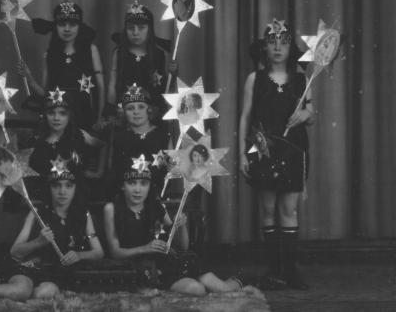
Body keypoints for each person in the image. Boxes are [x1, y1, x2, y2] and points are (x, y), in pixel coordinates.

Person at [239, 18, 314, 290]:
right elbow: (245, 117)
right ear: (265, 48)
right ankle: (274, 268)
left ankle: (290, 270)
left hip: (294, 150)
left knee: (288, 209)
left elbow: (312, 113)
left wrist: (305, 113)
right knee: (268, 208)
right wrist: (241, 154)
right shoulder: (254, 79)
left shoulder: (302, 79)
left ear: (290, 47)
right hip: (263, 150)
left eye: (283, 43)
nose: (278, 48)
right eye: (272, 43)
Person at [0, 156, 104, 300]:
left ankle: (21, 294)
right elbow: (15, 252)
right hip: (29, 267)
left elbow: (98, 252)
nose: (62, 191)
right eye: (56, 185)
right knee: (20, 291)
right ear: (49, 187)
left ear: (75, 188)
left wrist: (79, 255)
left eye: (68, 185)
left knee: (45, 293)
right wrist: (38, 242)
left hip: (53, 274)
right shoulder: (36, 213)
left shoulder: (83, 215)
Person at [103, 157, 250, 295]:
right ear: (122, 186)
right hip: (140, 269)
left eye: (143, 184)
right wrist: (145, 248)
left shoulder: (155, 206)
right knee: (197, 289)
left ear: (149, 186)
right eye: (132, 183)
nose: (137, 190)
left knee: (222, 289)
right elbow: (115, 252)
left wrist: (181, 226)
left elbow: (183, 247)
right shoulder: (112, 209)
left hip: (165, 263)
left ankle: (239, 282)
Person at [18, 0, 105, 130]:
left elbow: (101, 87)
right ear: (56, 26)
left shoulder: (91, 50)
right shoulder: (49, 55)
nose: (67, 29)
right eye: (62, 24)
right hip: (58, 121)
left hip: (84, 119)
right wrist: (29, 77)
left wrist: (100, 118)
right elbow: (45, 93)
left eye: (72, 24)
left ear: (79, 26)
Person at [23, 87, 106, 204]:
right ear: (45, 115)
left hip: (76, 198)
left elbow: (103, 145)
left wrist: (98, 172)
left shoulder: (79, 135)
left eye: (62, 113)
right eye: (52, 113)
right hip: (47, 200)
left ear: (69, 116)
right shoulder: (36, 143)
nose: (56, 118)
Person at [105, 1, 175, 123]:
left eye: (141, 28)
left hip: (151, 113)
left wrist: (172, 73)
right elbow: (112, 84)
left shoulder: (159, 55)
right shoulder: (119, 52)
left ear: (150, 29)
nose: (136, 32)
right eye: (131, 28)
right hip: (124, 112)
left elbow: (163, 87)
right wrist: (110, 110)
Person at [107, 84, 170, 199]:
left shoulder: (163, 135)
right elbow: (115, 171)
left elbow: (168, 169)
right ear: (123, 112)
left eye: (141, 107)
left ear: (149, 109)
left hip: (158, 194)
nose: (136, 112)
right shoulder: (119, 137)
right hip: (128, 196)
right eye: (130, 108)